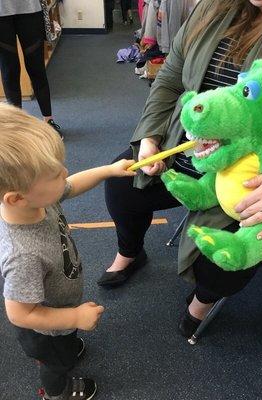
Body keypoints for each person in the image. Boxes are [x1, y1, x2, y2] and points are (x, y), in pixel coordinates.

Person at [99, 0, 262, 338]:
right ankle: (130, 252)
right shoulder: (212, 8)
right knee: (122, 188)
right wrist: (150, 135)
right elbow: (170, 78)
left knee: (224, 259)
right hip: (182, 146)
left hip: (253, 170)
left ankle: (201, 303)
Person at [0, 104, 136, 400]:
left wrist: (108, 171)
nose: (65, 172)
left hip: (59, 306)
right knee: (56, 363)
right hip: (44, 330)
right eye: (53, 173)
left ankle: (66, 341)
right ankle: (56, 392)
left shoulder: (36, 199)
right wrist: (72, 317)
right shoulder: (22, 254)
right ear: (17, 197)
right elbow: (21, 314)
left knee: (65, 345)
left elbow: (70, 186)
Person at [0, 1, 62, 137]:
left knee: (37, 69)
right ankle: (15, 126)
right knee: (9, 70)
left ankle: (48, 120)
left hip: (30, 10)